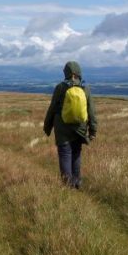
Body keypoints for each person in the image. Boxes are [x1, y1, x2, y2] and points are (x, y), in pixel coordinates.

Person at [43, 61, 97, 189]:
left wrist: (47, 127)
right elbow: (91, 111)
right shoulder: (85, 88)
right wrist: (93, 130)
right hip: (80, 127)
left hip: (62, 129)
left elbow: (52, 109)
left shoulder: (60, 87)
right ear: (79, 72)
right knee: (76, 153)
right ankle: (77, 182)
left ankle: (68, 186)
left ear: (66, 73)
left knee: (65, 154)